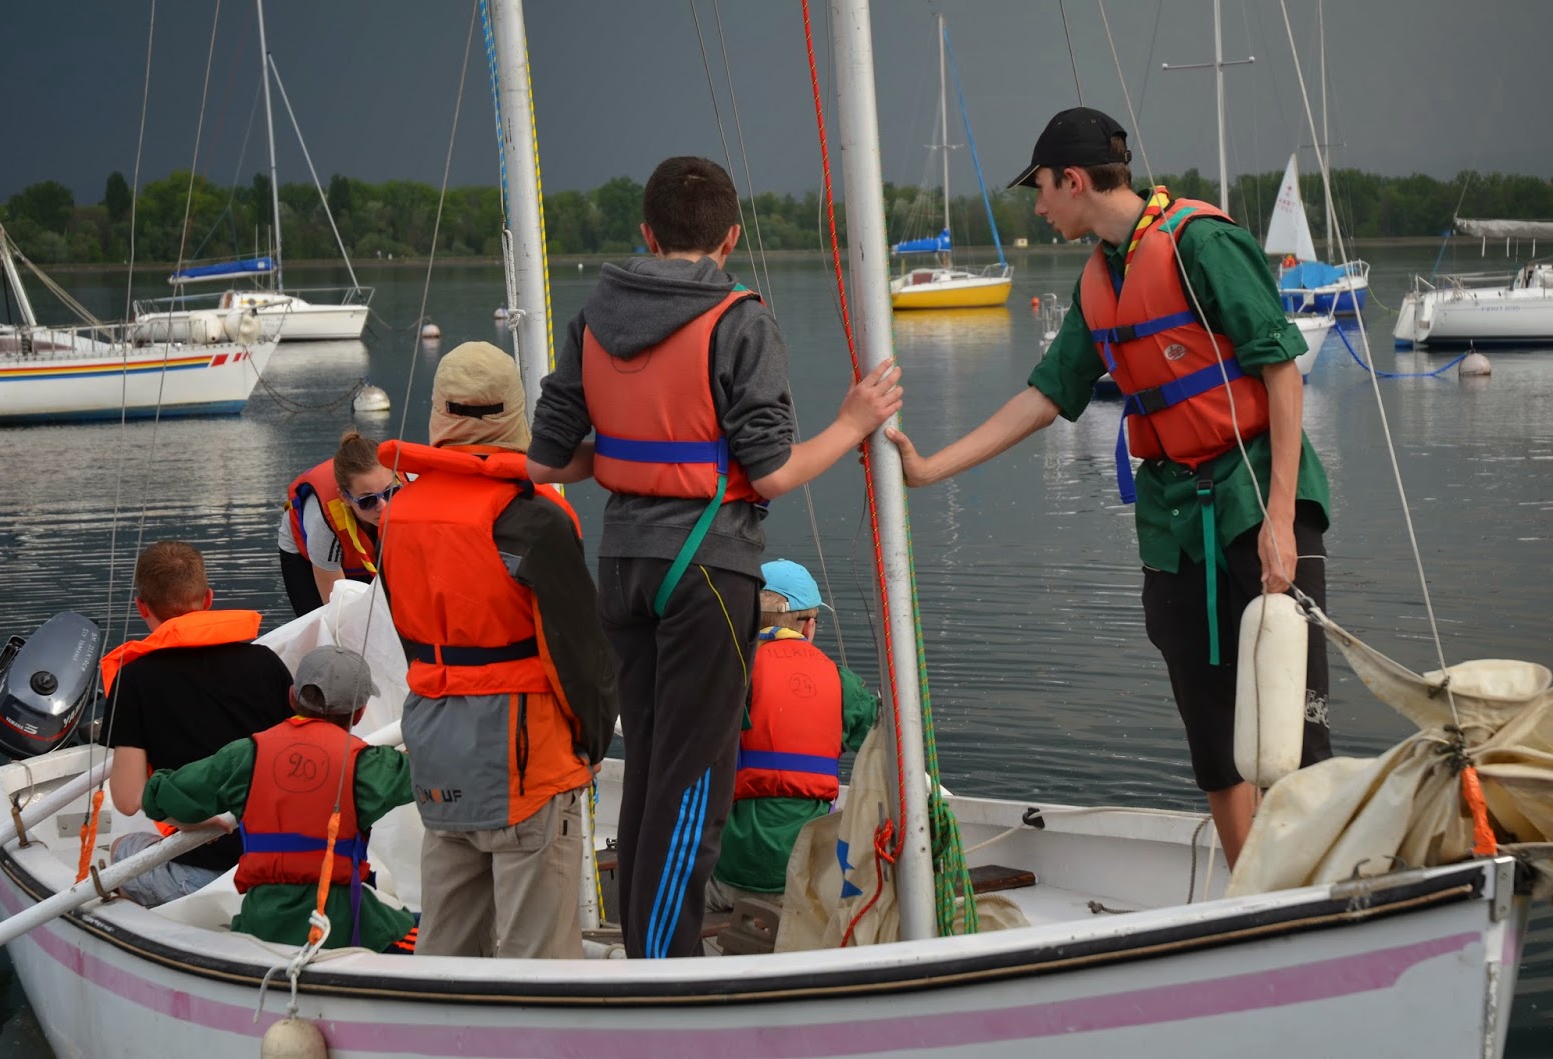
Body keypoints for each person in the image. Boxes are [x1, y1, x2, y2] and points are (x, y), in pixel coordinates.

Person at [885, 108, 1332, 868]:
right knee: (1212, 738)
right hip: (1173, 522)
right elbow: (1045, 396)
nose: (1038, 206)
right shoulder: (1101, 279)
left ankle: (1317, 894)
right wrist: (931, 467)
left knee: (1294, 730)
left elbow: (1281, 371)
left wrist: (1281, 520)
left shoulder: (1203, 245)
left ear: (1073, 180)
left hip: (1255, 499)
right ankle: (1253, 894)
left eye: (1040, 189)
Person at [526, 155, 903, 958]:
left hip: (622, 565)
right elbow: (773, 471)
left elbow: (546, 461)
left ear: (647, 232)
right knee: (695, 780)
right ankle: (666, 969)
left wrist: (633, 457)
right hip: (706, 566)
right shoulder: (740, 321)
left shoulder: (593, 316)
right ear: (730, 237)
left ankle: (647, 950)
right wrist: (852, 422)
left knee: (649, 764)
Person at [378, 341, 620, 959]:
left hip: (438, 747)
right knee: (537, 958)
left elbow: (411, 637)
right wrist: (592, 742)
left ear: (439, 411)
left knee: (446, 945)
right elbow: (579, 654)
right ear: (515, 412)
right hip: (527, 759)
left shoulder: (397, 514)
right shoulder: (533, 519)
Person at [140, 646, 417, 952]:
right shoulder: (370, 765)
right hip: (339, 924)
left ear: (292, 697)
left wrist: (192, 822)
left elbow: (157, 797)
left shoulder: (245, 755)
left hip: (262, 923)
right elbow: (435, 773)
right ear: (361, 711)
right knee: (427, 932)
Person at [102, 541, 294, 906]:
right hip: (281, 858)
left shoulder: (135, 680)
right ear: (208, 599)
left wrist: (189, 822)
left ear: (142, 607)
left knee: (122, 848)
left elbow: (127, 799)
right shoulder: (265, 662)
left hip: (203, 874)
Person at [706, 559, 876, 914]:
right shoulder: (842, 683)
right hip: (804, 880)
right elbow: (887, 750)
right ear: (809, 625)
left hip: (728, 876)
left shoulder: (728, 672)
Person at [277, 429, 402, 617]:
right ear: (344, 497)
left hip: (362, 539)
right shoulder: (323, 525)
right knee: (320, 621)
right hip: (307, 552)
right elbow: (336, 613)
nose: (383, 506)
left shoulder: (412, 488)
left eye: (390, 492)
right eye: (367, 500)